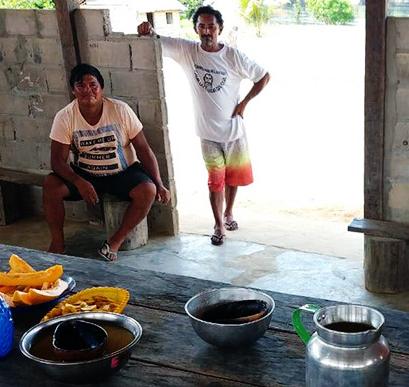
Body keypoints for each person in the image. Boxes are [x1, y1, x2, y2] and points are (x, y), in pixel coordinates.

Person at [138, 6, 270, 246]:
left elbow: (263, 76)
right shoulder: (188, 51)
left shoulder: (233, 56)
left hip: (234, 132)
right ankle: (219, 224)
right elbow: (158, 40)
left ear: (220, 29)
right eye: (202, 26)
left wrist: (244, 104)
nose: (207, 31)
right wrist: (147, 30)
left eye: (211, 26)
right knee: (215, 181)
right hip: (207, 135)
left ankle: (229, 211)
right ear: (196, 28)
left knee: (232, 179)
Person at [43, 63, 171, 261]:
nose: (88, 91)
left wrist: (159, 183)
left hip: (123, 172)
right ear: (73, 90)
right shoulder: (65, 117)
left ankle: (113, 243)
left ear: (101, 88)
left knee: (148, 190)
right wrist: (79, 181)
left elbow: (144, 149)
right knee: (51, 185)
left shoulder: (120, 110)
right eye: (81, 86)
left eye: (93, 85)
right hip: (84, 174)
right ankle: (58, 244)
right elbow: (56, 162)